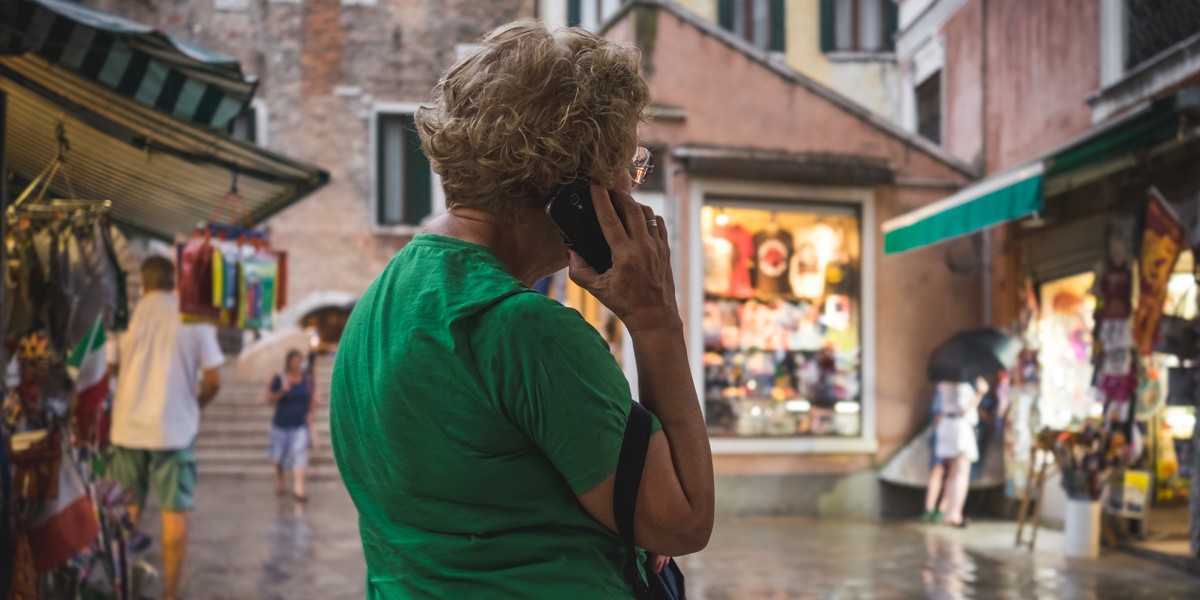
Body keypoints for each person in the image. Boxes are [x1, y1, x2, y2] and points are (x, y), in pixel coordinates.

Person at [330, 20, 714, 598]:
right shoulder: (525, 329)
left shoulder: (380, 306)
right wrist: (656, 320)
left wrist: (633, 509)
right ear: (565, 181)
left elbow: (489, 497)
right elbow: (683, 520)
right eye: (626, 166)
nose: (630, 192)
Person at [107, 256, 224, 600]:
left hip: (128, 428)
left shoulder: (124, 318)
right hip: (174, 429)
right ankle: (170, 594)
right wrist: (195, 404)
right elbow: (215, 379)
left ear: (142, 283)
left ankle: (124, 586)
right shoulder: (192, 317)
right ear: (173, 282)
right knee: (174, 512)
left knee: (129, 511)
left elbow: (111, 368)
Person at [922, 377, 989, 528]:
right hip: (960, 429)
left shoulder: (943, 384)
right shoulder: (963, 386)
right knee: (960, 473)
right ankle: (954, 513)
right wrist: (979, 394)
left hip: (946, 427)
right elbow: (966, 410)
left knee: (951, 473)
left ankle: (944, 510)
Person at [265, 349, 316, 501]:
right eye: (294, 361)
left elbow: (311, 398)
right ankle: (280, 479)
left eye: (299, 361)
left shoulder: (306, 379)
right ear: (288, 362)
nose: (297, 364)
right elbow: (270, 401)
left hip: (300, 424)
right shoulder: (280, 378)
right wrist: (282, 391)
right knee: (278, 457)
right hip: (281, 424)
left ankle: (298, 488)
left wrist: (311, 413)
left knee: (299, 455)